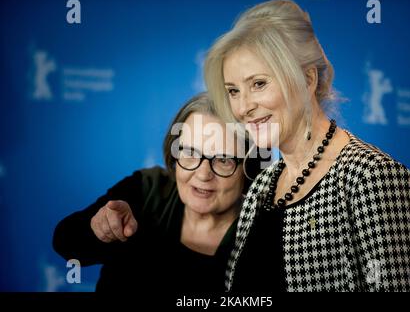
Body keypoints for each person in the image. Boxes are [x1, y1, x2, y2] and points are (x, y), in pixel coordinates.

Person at [204, 0, 410, 292]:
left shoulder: (373, 177)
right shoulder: (261, 188)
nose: (244, 106)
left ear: (308, 78)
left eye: (259, 84)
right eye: (233, 91)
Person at [53, 93, 262, 292]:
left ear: (248, 169)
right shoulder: (147, 189)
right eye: (190, 153)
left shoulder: (266, 234)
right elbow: (66, 243)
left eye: (223, 160)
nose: (203, 174)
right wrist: (99, 229)